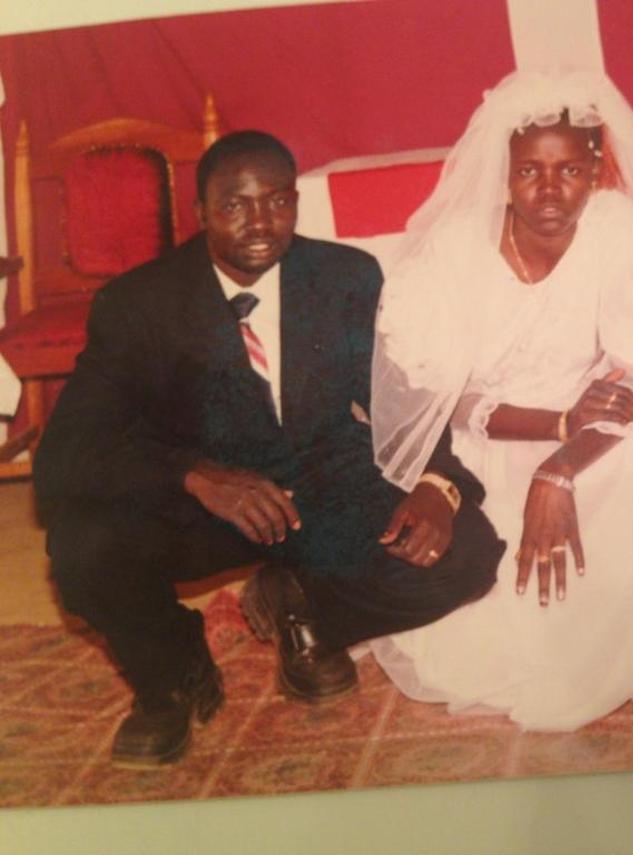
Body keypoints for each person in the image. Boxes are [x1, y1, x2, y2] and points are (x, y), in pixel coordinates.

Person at [34, 131, 504, 768]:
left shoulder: (346, 276)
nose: (260, 223)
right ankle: (172, 675)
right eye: (235, 206)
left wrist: (436, 483)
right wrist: (195, 475)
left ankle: (301, 607)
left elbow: (404, 390)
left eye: (278, 202)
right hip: (202, 505)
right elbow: (64, 454)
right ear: (200, 213)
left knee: (467, 552)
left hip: (323, 481)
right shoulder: (138, 304)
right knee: (81, 546)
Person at [368, 71, 633, 731]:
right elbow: (449, 400)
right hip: (492, 438)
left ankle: (621, 645)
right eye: (530, 171)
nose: (549, 190)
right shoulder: (456, 249)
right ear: (502, 176)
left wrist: (561, 461)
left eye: (569, 170)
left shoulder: (619, 230)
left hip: (594, 433)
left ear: (596, 170)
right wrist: (553, 427)